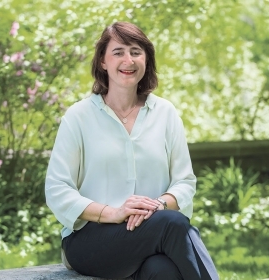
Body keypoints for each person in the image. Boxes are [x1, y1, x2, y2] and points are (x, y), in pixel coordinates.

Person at [45, 21, 219, 280]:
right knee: (174, 224)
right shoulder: (79, 116)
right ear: (103, 61)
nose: (128, 60)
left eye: (136, 51)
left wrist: (158, 205)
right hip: (90, 239)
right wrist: (113, 213)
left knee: (163, 271)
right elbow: (57, 190)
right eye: (118, 52)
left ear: (146, 59)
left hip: (152, 232)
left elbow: (184, 182)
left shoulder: (165, 113)